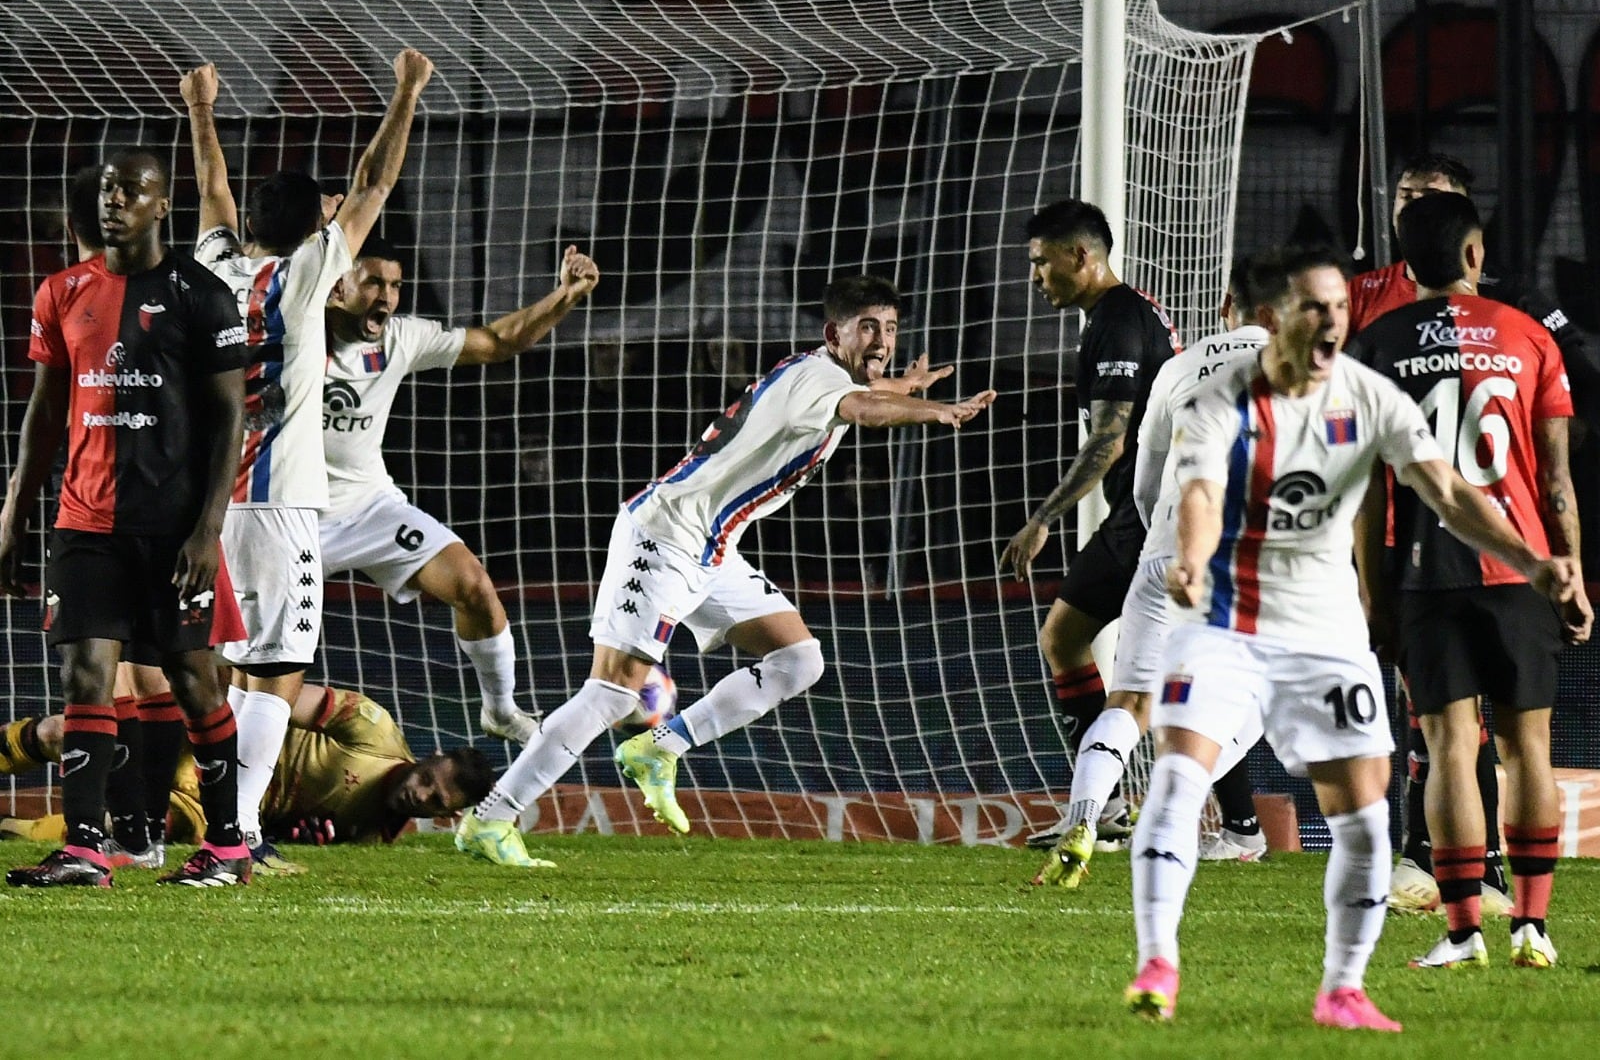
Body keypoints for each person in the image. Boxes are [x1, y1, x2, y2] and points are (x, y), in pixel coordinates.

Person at [1123, 246, 1580, 1031]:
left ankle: (1343, 989)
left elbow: (1447, 493)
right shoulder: (1221, 401)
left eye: (1339, 306)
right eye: (1315, 306)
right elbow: (1198, 491)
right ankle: (1158, 962)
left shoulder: (1371, 396)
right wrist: (1193, 561)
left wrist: (1531, 560)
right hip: (1225, 619)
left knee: (1364, 816)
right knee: (1176, 775)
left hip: (1324, 628)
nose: (1334, 320)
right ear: (1271, 320)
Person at [453, 274, 995, 867]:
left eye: (890, 329)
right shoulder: (821, 380)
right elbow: (862, 408)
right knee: (610, 693)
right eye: (868, 327)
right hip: (663, 536)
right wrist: (931, 409)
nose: (883, 340)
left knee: (798, 659)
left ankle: (662, 746)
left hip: (712, 545)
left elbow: (866, 390)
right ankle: (493, 817)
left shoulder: (818, 370)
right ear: (832, 333)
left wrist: (903, 383)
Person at [181, 53, 432, 868]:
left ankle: (224, 827)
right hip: (280, 505)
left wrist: (201, 108)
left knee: (236, 671)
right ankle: (237, 836)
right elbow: (374, 185)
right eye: (325, 213)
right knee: (278, 673)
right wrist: (406, 94)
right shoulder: (302, 275)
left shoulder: (216, 264)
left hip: (206, 505)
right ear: (310, 231)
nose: (339, 216)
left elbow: (215, 189)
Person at [1349, 152, 1600, 915]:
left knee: (1448, 739)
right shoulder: (1525, 334)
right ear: (1473, 250)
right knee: (1528, 746)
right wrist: (1569, 569)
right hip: (1521, 563)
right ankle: (1529, 919)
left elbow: (1364, 483)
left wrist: (1372, 591)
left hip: (1420, 562)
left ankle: (1460, 917)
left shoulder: (1378, 340)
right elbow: (1558, 481)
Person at [0, 149, 253, 887]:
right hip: (85, 522)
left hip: (172, 528)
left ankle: (230, 845)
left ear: (161, 205)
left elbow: (229, 415)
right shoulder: (62, 292)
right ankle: (86, 847)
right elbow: (45, 411)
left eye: (133, 190)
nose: (116, 201)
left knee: (194, 678)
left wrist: (208, 529)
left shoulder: (201, 295)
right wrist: (15, 510)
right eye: (109, 189)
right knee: (86, 674)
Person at [1033, 256, 1266, 886]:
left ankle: (1084, 817)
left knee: (1130, 700)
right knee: (1254, 696)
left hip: (1166, 550)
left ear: (1225, 309)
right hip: (1261, 561)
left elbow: (1143, 478)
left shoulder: (1179, 367)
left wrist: (1161, 541)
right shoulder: (1312, 369)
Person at [320, 236, 599, 745]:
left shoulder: (399, 338)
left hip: (369, 506)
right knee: (247, 654)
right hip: (287, 514)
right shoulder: (287, 331)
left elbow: (497, 342)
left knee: (474, 587)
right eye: (374, 283)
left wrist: (567, 294)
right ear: (337, 286)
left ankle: (499, 710)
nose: (386, 297)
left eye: (396, 286)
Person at [999, 200, 1180, 849]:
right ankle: (1103, 807)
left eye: (1042, 262)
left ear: (1082, 255)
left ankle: (1227, 823)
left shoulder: (1118, 321)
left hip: (1148, 520)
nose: (1036, 276)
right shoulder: (1118, 315)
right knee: (1069, 639)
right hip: (1141, 516)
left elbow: (1110, 439)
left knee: (1157, 681)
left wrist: (1043, 518)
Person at [0, 683, 493, 849]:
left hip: (208, 802)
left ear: (447, 814)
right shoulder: (372, 727)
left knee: (141, 827)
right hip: (200, 741)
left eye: (435, 800)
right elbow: (272, 696)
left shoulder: (371, 835)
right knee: (69, 731)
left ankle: (9, 830)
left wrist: (291, 837)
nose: (420, 794)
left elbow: (277, 841)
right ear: (429, 756)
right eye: (428, 779)